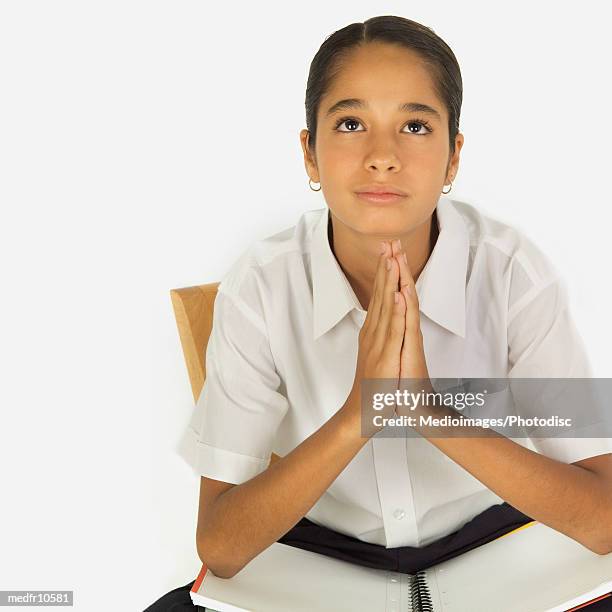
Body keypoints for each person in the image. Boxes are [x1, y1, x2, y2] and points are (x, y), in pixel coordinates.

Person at [144, 15, 612, 611]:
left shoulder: (514, 272)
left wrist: (428, 410)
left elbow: (603, 520)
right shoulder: (261, 287)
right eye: (350, 123)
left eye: (415, 125)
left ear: (453, 158)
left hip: (495, 546)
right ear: (310, 154)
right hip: (322, 558)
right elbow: (222, 547)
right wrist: (359, 413)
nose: (382, 156)